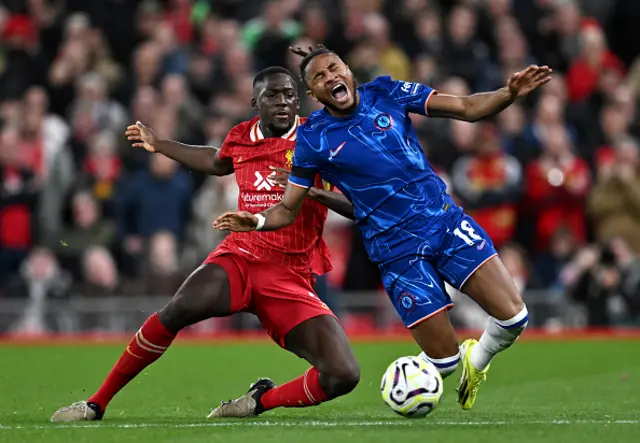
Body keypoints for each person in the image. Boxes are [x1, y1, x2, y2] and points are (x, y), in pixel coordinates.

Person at [214, 46, 552, 411]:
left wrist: (509, 93)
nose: (330, 77)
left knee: (515, 317)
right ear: (313, 95)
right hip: (396, 251)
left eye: (334, 68)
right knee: (443, 363)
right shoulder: (314, 139)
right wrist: (258, 221)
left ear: (348, 69)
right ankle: (442, 369)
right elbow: (286, 209)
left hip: (443, 221)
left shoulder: (387, 92)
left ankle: (478, 360)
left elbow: (467, 108)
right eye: (319, 77)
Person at [50, 67, 360, 422]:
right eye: (272, 95)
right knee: (176, 310)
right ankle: (96, 403)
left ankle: (259, 401)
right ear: (255, 102)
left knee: (343, 374)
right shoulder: (241, 136)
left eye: (289, 94)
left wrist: (309, 189)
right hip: (240, 258)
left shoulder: (318, 138)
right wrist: (160, 144)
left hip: (290, 274)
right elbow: (216, 161)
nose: (283, 102)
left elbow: (356, 205)